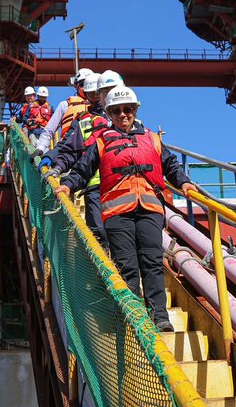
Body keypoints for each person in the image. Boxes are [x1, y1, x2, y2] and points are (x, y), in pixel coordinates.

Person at [54, 86, 199, 332]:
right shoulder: (101, 142)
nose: (123, 115)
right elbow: (82, 169)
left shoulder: (152, 138)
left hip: (150, 208)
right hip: (117, 212)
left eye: (128, 109)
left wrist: (184, 182)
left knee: (152, 262)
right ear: (109, 113)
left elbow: (170, 164)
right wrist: (67, 186)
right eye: (117, 111)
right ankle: (132, 316)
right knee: (126, 264)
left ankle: (159, 317)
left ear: (135, 111)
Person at [43, 70, 124, 245]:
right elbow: (68, 148)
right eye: (94, 93)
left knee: (120, 233)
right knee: (98, 232)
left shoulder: (125, 119)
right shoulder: (83, 121)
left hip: (121, 185)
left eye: (101, 93)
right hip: (94, 185)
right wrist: (56, 164)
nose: (98, 97)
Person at [36, 67, 95, 153]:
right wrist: (40, 148)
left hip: (93, 153)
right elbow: (49, 130)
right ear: (76, 85)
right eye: (83, 84)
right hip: (69, 152)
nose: (86, 88)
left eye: (89, 84)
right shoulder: (65, 105)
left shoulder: (102, 107)